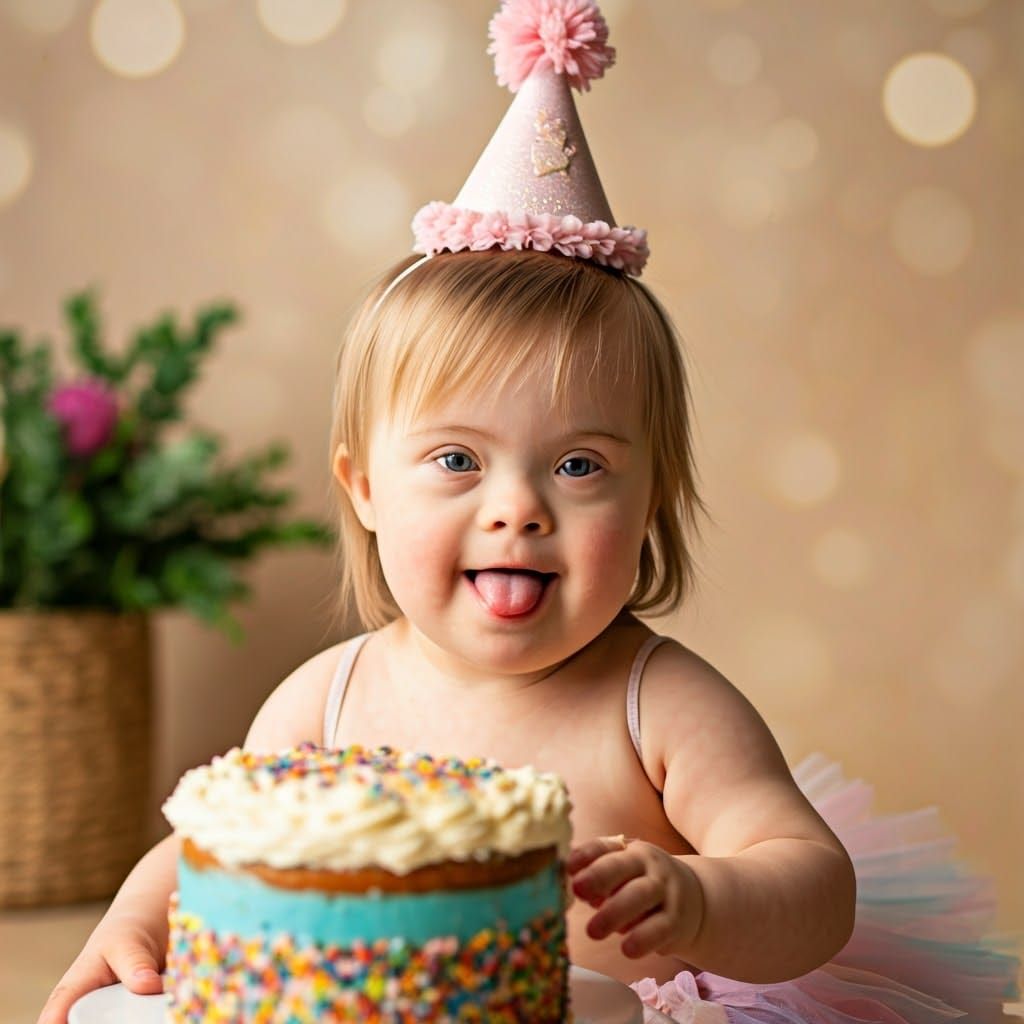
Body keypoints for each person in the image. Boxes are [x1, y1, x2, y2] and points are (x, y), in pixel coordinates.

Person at [40, 3, 1018, 1023]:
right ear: (365, 487)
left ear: (652, 501)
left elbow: (811, 882)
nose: (518, 511)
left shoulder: (658, 708)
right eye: (457, 458)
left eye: (580, 465)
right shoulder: (323, 706)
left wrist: (701, 899)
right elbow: (218, 842)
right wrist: (139, 919)